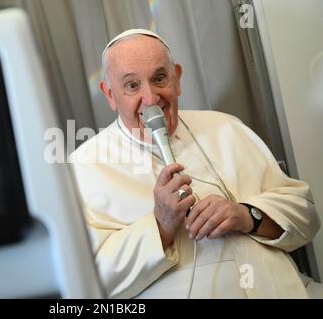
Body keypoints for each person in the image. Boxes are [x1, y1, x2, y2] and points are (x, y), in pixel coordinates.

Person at [69, 29, 321, 298]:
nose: (151, 99)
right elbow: (86, 285)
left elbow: (307, 217)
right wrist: (160, 226)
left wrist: (246, 215)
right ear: (109, 94)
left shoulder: (225, 127)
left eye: (160, 78)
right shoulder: (83, 166)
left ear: (177, 79)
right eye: (132, 85)